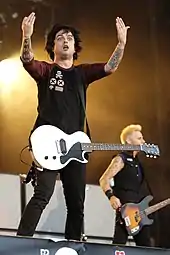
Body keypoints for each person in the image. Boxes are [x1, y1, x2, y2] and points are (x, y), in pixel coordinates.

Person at [17, 12, 129, 240]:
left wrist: (121, 43)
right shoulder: (47, 71)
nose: (65, 40)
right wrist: (26, 36)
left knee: (77, 204)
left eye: (69, 37)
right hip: (47, 144)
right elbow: (27, 61)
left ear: (75, 46)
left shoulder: (81, 73)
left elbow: (110, 67)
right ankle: (19, 242)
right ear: (53, 46)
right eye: (60, 37)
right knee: (42, 195)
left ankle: (73, 245)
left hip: (76, 149)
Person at [99, 124, 153, 246]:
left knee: (146, 246)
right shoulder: (121, 159)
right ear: (128, 141)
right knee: (119, 245)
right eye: (139, 138)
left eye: (142, 138)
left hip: (139, 210)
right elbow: (104, 179)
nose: (143, 141)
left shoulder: (138, 162)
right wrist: (111, 196)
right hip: (125, 209)